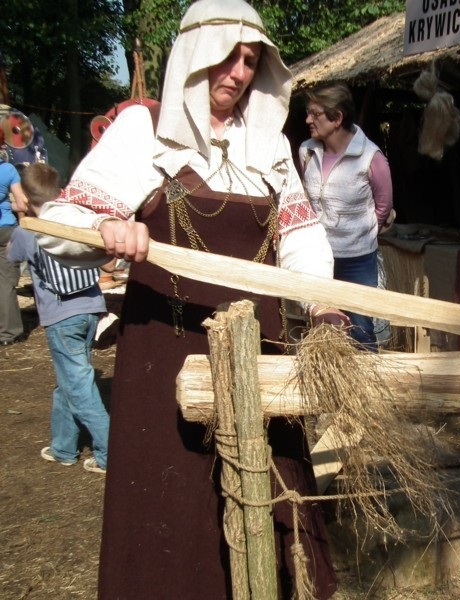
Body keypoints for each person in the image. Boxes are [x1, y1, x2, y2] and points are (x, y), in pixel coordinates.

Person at [35, 1, 346, 597]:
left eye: (250, 61)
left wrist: (323, 304)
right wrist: (108, 230)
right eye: (224, 56)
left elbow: (303, 237)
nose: (236, 72)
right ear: (192, 57)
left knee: (273, 490)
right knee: (172, 506)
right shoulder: (144, 131)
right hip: (167, 356)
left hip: (264, 353)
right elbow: (60, 220)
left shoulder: (271, 146)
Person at [7, 162, 112, 473]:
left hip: (61, 318)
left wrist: (21, 217)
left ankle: (109, 454)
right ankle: (64, 447)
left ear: (25, 198)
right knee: (69, 382)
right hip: (91, 309)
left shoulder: (29, 230)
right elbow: (106, 266)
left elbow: (13, 255)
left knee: (80, 389)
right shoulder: (74, 223)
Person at [299, 81, 394, 351]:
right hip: (318, 258)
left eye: (314, 114)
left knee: (360, 331)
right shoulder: (307, 151)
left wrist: (357, 234)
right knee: (323, 330)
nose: (308, 119)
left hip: (357, 261)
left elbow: (383, 207)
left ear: (337, 118)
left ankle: (367, 389)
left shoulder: (370, 157)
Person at [0, 155, 26, 345]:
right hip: (5, 231)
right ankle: (8, 333)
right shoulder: (8, 170)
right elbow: (22, 203)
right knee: (5, 282)